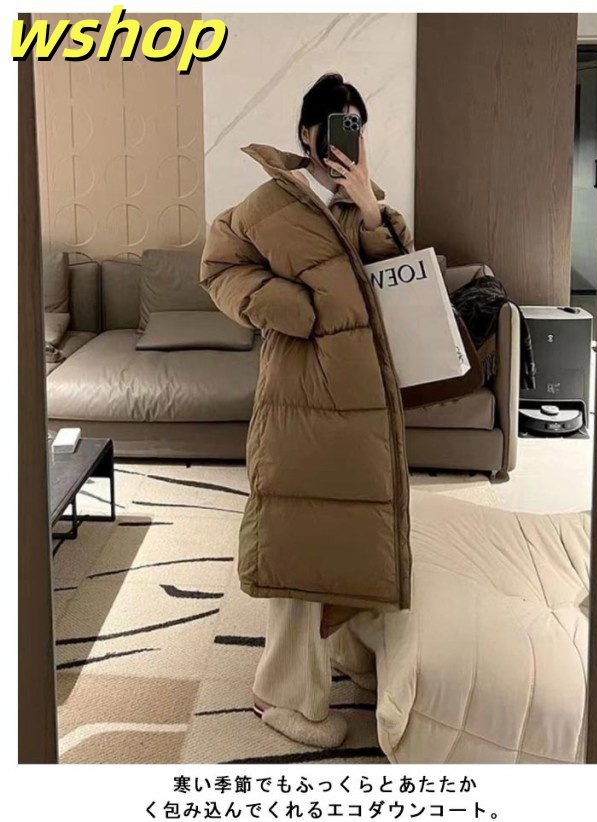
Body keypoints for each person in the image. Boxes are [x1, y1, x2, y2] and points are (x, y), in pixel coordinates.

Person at [199, 73, 413, 749]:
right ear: (306, 132)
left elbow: (398, 283)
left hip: (365, 396)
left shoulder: (365, 202)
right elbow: (219, 268)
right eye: (336, 123)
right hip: (302, 392)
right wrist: (296, 310)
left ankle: (347, 651)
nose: (347, 137)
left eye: (357, 124)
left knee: (352, 527)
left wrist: (371, 211)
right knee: (300, 533)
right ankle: (282, 692)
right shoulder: (268, 205)